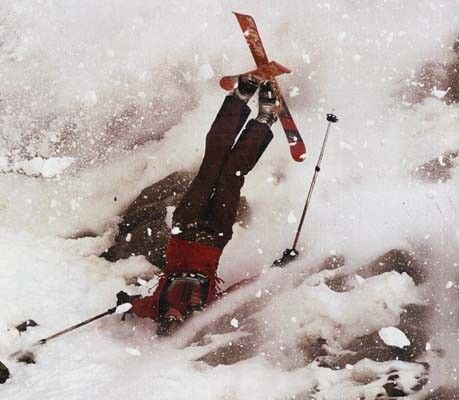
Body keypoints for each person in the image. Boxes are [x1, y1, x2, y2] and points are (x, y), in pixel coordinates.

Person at [116, 77, 280, 335]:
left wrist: (126, 304)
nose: (172, 316)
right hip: (215, 234)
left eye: (167, 320)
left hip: (185, 225)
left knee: (211, 165)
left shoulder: (156, 306)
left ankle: (238, 100)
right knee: (232, 174)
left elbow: (136, 306)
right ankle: (265, 119)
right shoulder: (205, 310)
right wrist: (276, 271)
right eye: (175, 322)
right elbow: (238, 293)